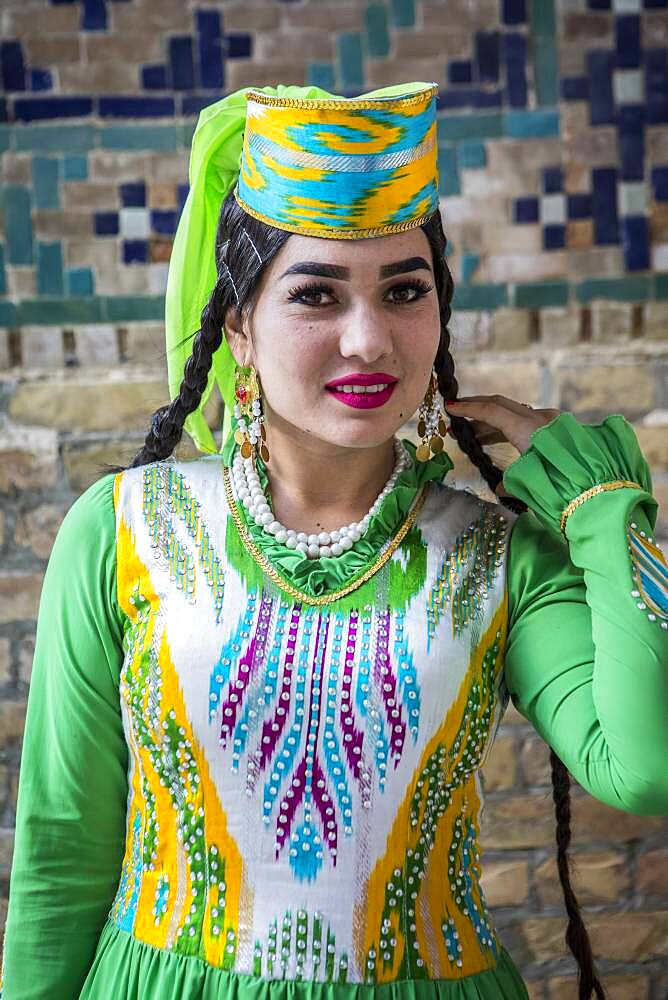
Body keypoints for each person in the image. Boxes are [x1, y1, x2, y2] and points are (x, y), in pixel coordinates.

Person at [1, 82, 666, 1000]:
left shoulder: (500, 561)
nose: (370, 340)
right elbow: (59, 864)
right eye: (316, 294)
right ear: (238, 324)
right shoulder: (123, 530)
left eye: (405, 291)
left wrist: (602, 502)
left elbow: (646, 766)